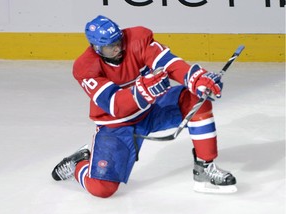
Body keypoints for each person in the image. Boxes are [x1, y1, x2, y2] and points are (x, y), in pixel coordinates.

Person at [51, 15, 237, 198]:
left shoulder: (138, 39)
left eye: (118, 41)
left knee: (197, 98)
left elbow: (169, 64)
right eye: (109, 47)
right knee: (102, 189)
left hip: (152, 108)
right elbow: (115, 105)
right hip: (117, 125)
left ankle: (205, 168)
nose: (116, 48)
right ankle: (79, 163)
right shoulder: (85, 67)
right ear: (96, 48)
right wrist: (141, 91)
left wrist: (194, 78)